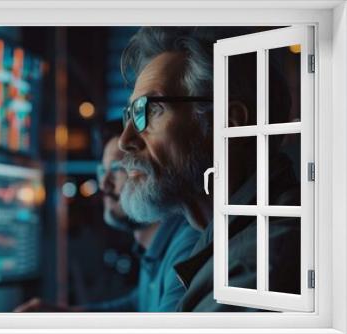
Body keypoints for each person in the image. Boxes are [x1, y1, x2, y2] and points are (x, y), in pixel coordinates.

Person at [118, 27, 301, 312]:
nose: (125, 140)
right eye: (130, 114)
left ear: (230, 125)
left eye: (150, 110)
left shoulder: (253, 270)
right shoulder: (222, 239)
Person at [15, 122, 199, 312]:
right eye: (102, 171)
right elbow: (136, 306)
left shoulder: (186, 249)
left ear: (151, 173)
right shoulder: (154, 250)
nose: (104, 184)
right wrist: (63, 316)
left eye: (118, 168)